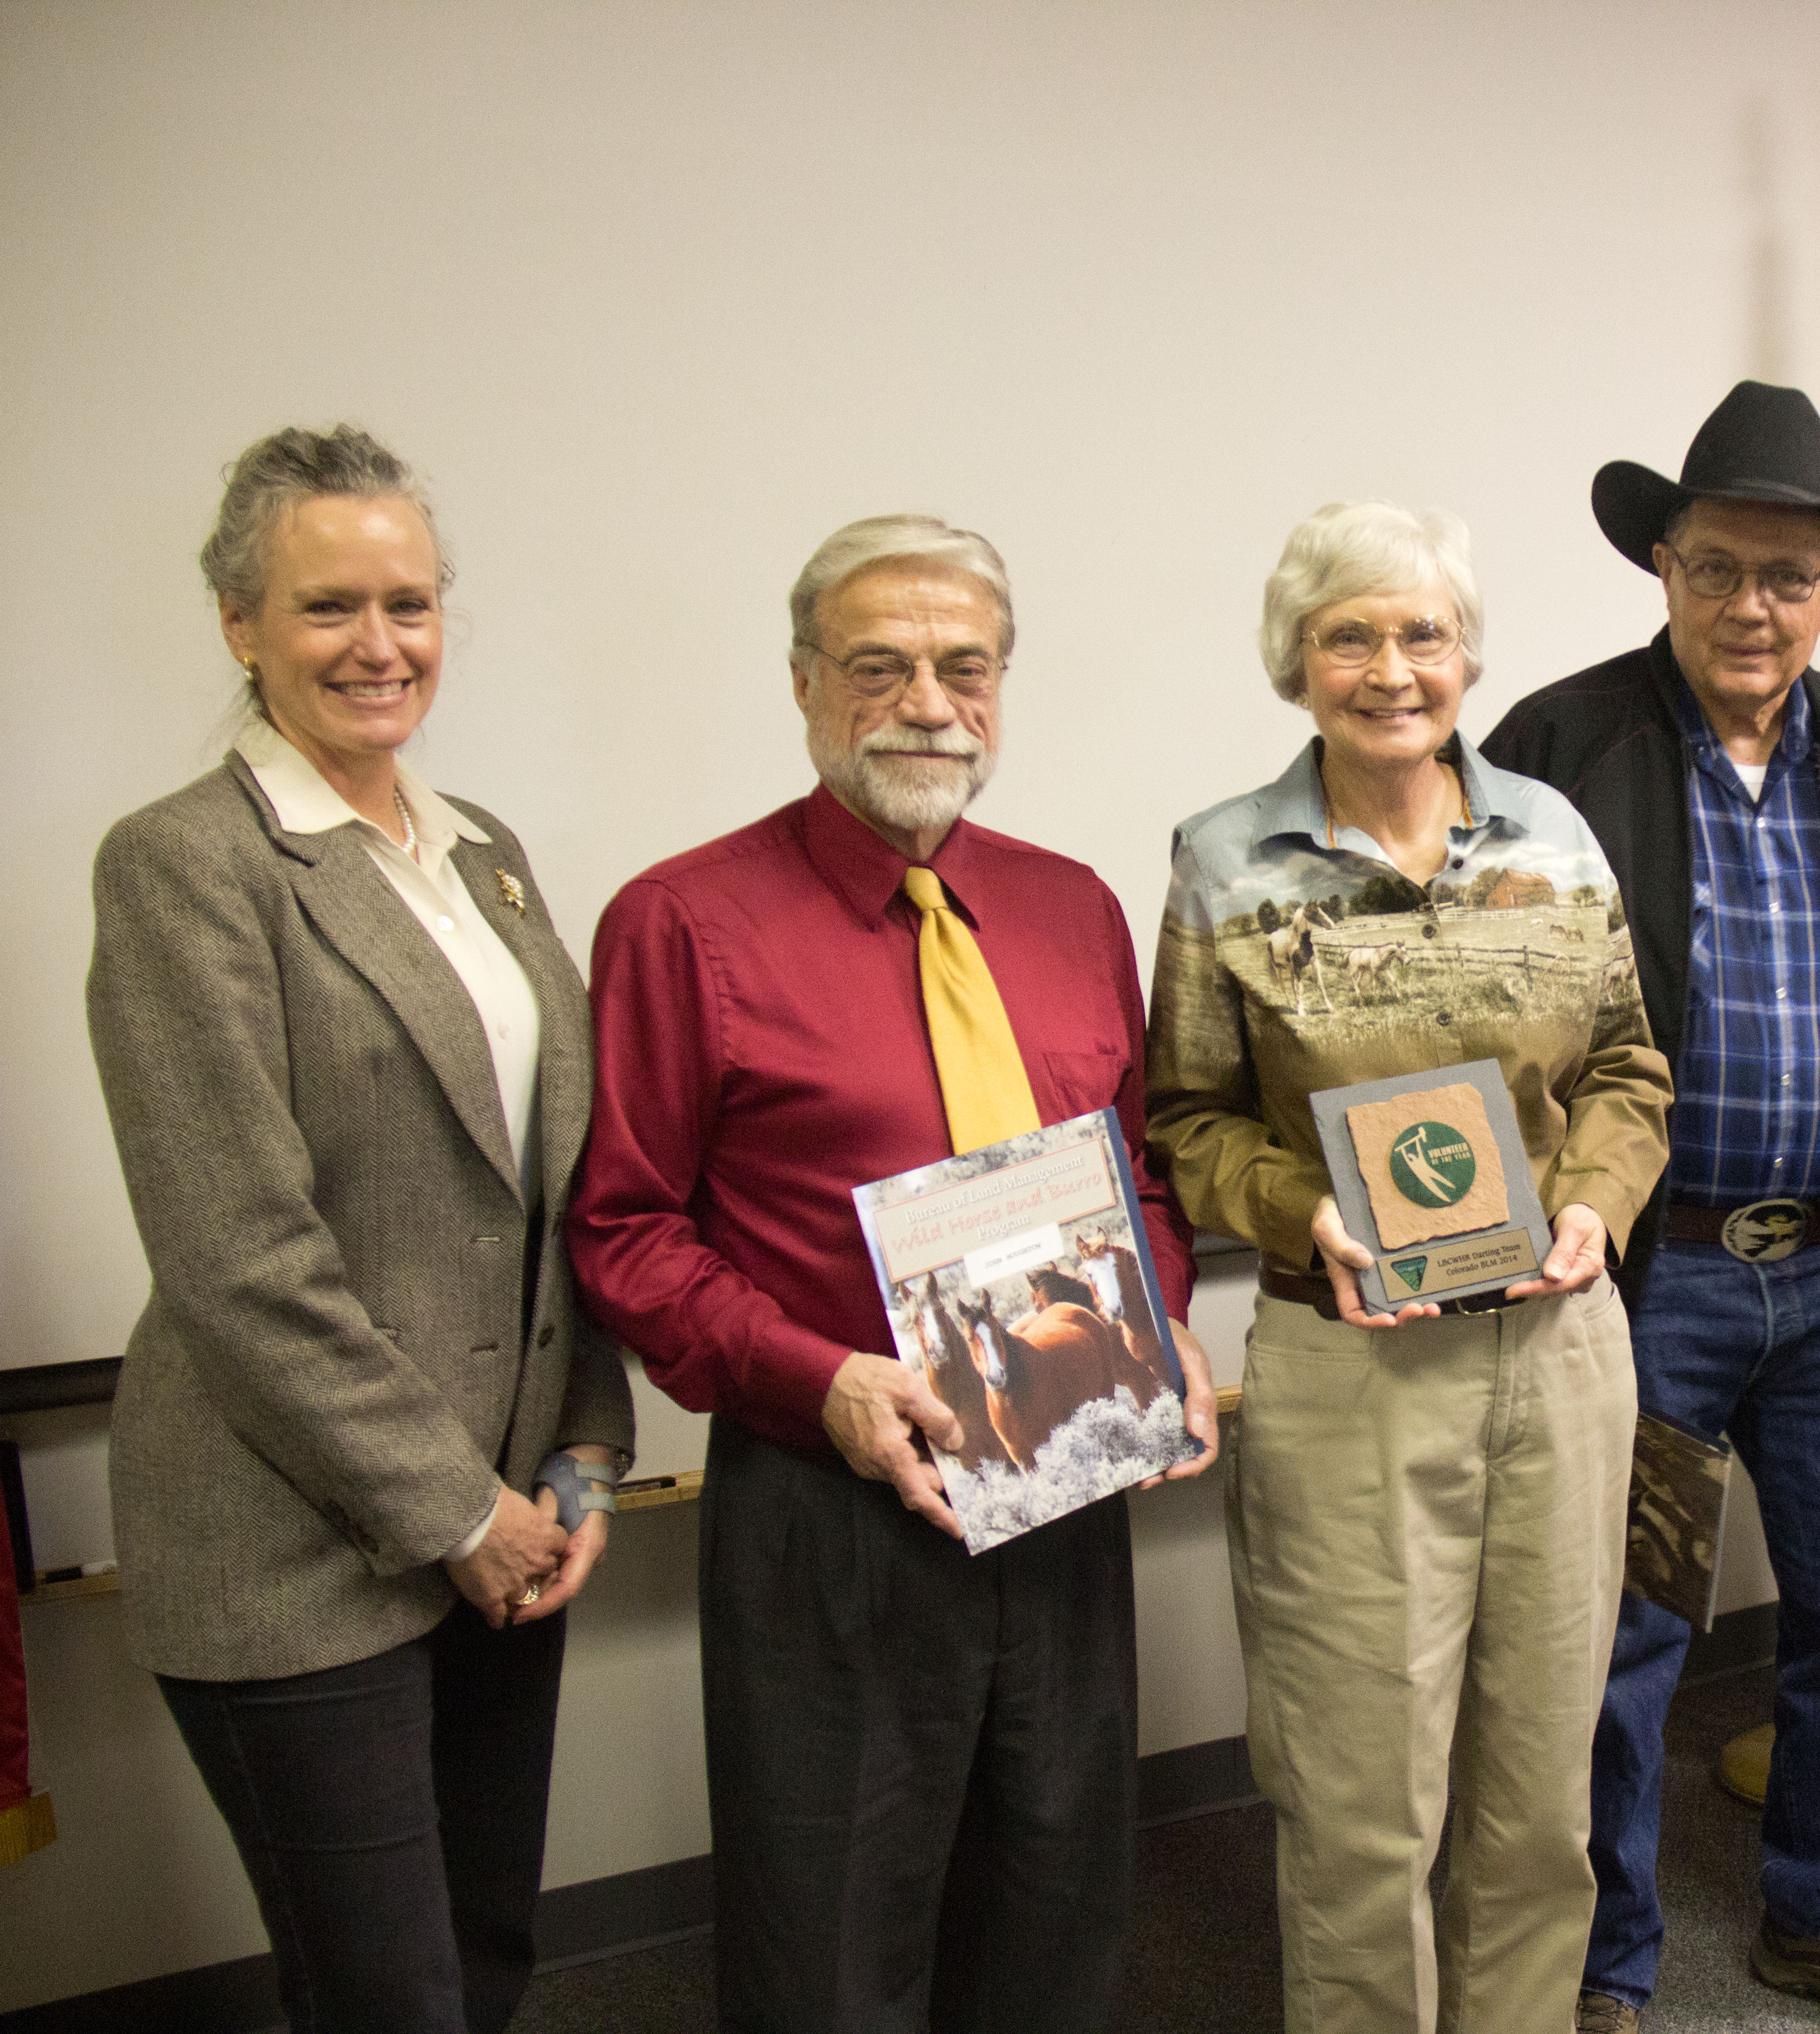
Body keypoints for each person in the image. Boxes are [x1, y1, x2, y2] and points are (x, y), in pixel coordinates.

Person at [567, 514, 1217, 2033]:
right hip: (833, 1504)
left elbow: (1147, 1177)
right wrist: (827, 1383)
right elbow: (625, 1230)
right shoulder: (682, 924)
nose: (930, 701)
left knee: (1059, 1904)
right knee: (831, 1942)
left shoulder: (1075, 910)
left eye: (963, 667)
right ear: (804, 686)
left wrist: (1164, 1320)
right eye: (880, 667)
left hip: (1067, 1475)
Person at [85, 424, 634, 2034]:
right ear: (239, 624)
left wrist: (582, 1458)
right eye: (328, 607)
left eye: (409, 603)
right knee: (384, 1998)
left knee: (483, 1961)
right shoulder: (185, 868)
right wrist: (458, 1516)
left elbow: (555, 1192)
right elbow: (238, 1256)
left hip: (513, 1525)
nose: (378, 645)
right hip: (298, 1544)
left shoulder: (487, 859)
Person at [1482, 381, 1820, 2034]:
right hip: (1643, 1283)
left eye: (1788, 575)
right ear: (1663, 565)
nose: (1751, 605)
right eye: (1716, 567)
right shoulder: (1556, 750)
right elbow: (1479, 1011)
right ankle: (1602, 1960)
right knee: (1620, 1644)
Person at [1145, 500, 1672, 2033]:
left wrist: (1591, 1209)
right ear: (1296, 664)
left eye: (1421, 633)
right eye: (1350, 635)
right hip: (1350, 1366)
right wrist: (1303, 1207)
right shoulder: (1226, 860)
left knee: (1535, 1803)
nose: (1392, 668)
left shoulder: (1554, 838)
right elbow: (1185, 1116)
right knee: (1363, 1812)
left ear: (1466, 655)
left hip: (1558, 1354)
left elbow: (1631, 1070)